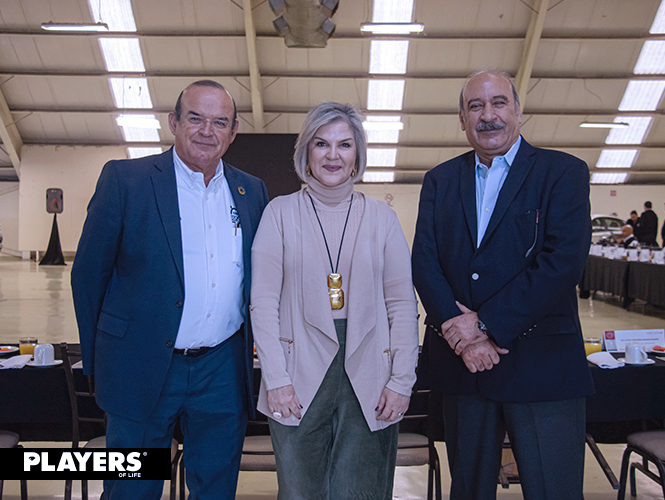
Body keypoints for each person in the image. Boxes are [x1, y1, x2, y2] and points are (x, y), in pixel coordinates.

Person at [71, 80, 269, 500]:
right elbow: (88, 276)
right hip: (139, 364)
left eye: (220, 122)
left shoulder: (251, 190)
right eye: (195, 118)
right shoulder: (126, 180)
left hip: (221, 369)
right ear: (173, 122)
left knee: (215, 489)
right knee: (131, 491)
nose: (207, 131)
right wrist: (99, 359)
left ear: (234, 131)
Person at [412, 69, 594, 500]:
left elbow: (562, 263)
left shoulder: (562, 172)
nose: (487, 115)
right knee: (468, 492)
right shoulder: (440, 180)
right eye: (475, 106)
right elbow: (424, 262)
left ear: (518, 111)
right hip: (464, 370)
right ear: (462, 118)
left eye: (498, 103)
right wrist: (461, 336)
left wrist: (485, 325)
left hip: (542, 367)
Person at [250, 102, 419, 499]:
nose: (333, 155)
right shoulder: (279, 213)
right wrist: (276, 379)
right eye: (321, 143)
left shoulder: (382, 218)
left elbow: (401, 305)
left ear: (357, 154)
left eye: (344, 144)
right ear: (306, 152)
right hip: (296, 374)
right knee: (300, 490)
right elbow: (263, 303)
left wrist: (402, 381)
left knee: (362, 490)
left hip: (371, 373)